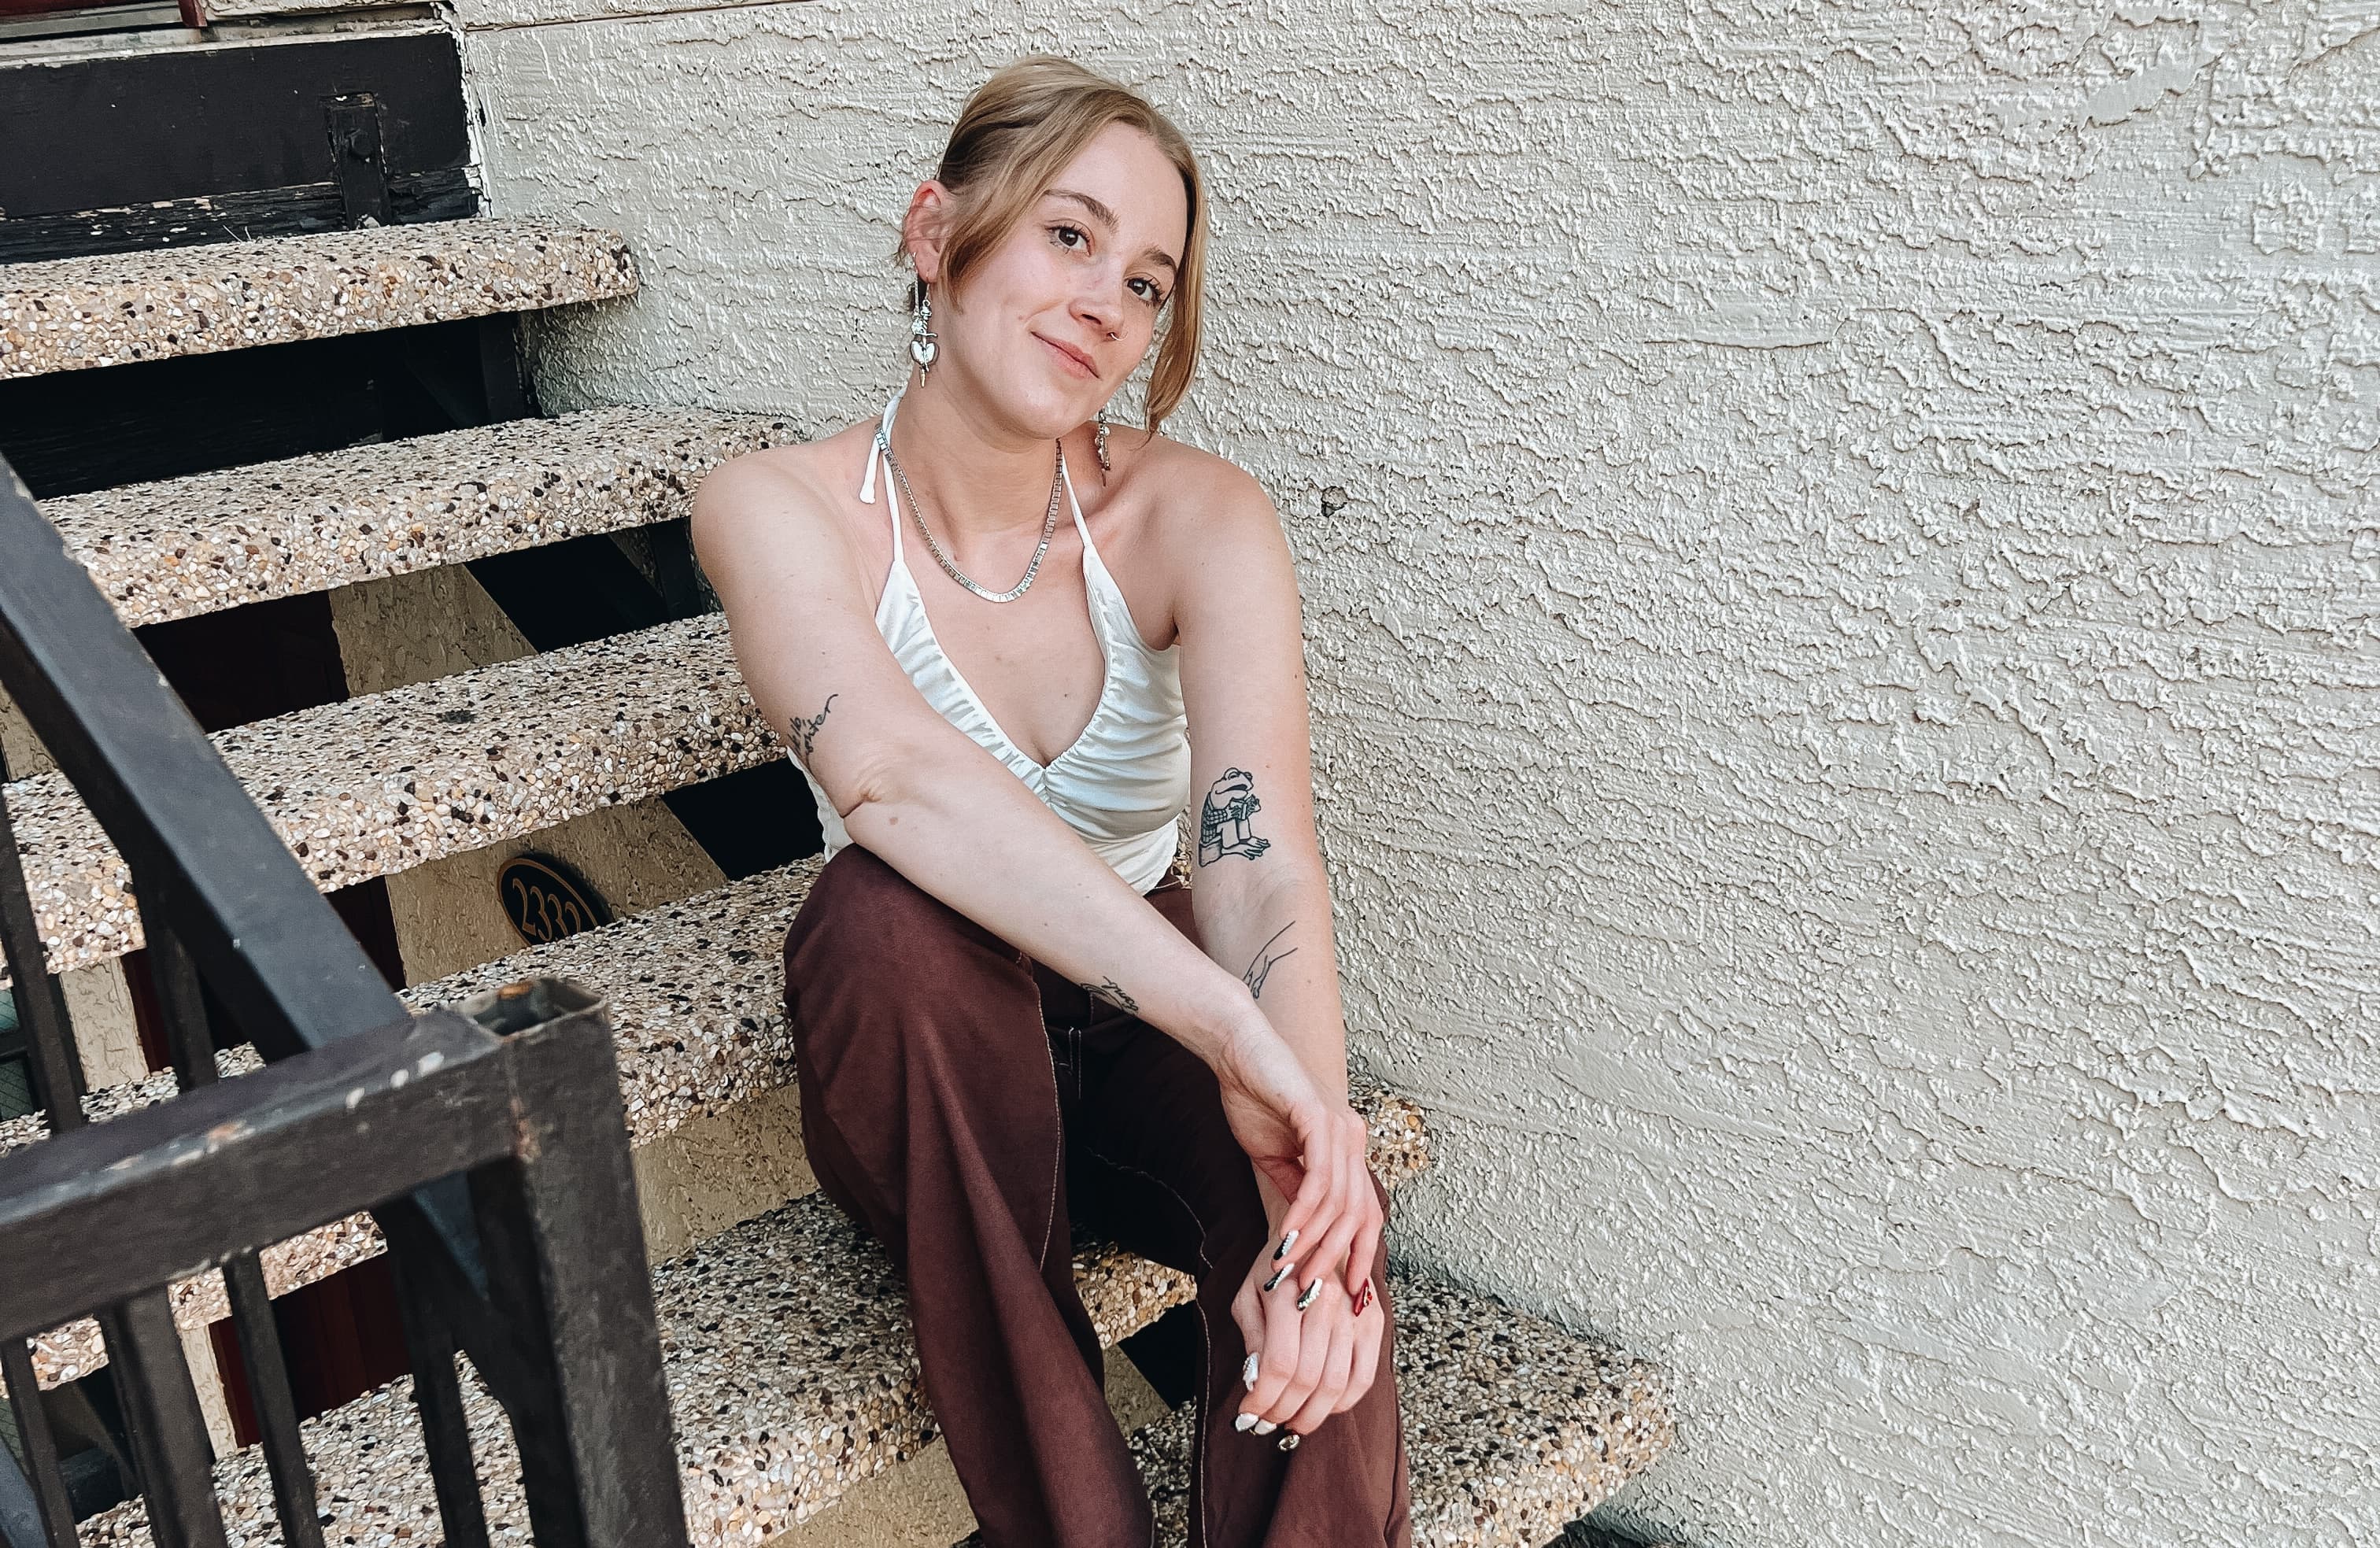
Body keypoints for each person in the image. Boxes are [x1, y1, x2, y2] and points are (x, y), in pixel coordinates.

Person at [692, 54, 1411, 1548]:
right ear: (935, 230)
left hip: (1145, 1012)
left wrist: (1310, 1148)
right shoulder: (779, 506)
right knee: (881, 916)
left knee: (1322, 1244)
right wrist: (1223, 1020)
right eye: (1069, 236)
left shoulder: (1198, 516)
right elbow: (886, 775)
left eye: (1148, 280)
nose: (1107, 302)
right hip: (932, 1051)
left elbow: (1262, 861)